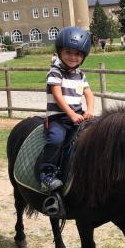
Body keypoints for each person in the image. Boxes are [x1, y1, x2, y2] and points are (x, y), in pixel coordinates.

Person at [38, 26, 95, 218]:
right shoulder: (55, 72)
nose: (73, 57)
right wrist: (71, 114)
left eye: (78, 54)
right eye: (69, 52)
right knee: (56, 139)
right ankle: (46, 173)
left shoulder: (81, 74)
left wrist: (90, 110)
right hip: (59, 118)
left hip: (77, 115)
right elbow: (57, 95)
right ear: (60, 52)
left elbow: (89, 94)